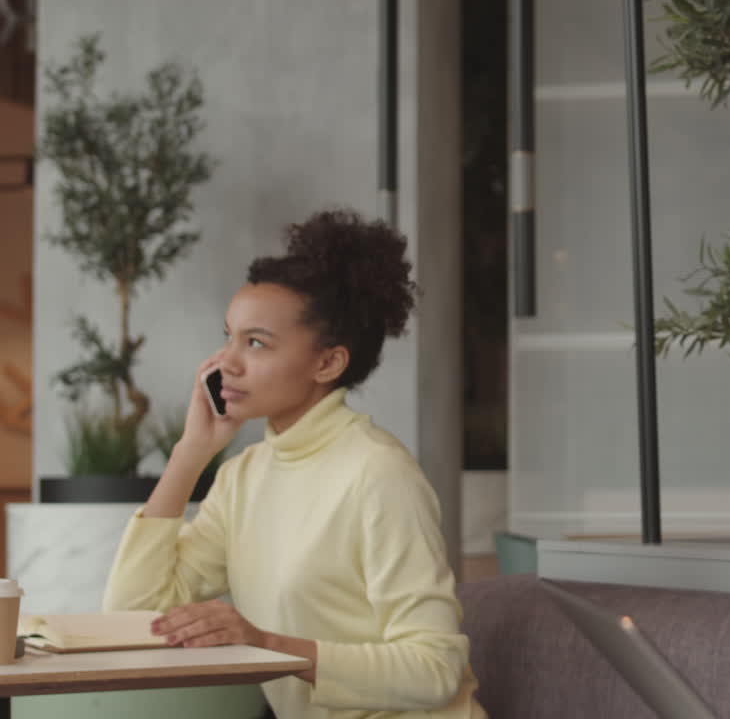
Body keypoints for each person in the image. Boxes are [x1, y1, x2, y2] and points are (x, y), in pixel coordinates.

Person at [103, 210, 485, 719]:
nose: (226, 363)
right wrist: (191, 454)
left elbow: (434, 670)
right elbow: (133, 614)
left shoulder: (379, 474)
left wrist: (267, 644)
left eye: (256, 342)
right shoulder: (245, 475)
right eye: (229, 337)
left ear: (328, 363)